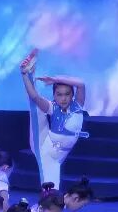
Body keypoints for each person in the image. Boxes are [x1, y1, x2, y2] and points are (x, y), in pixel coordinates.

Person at [20, 48, 88, 187]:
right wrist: (23, 75)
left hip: (59, 155)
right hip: (46, 151)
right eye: (59, 94)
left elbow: (81, 84)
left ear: (72, 95)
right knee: (36, 108)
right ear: (54, 96)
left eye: (67, 94)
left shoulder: (77, 106)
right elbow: (35, 97)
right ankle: (27, 72)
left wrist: (55, 79)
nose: (63, 98)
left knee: (51, 190)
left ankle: (30, 71)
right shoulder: (53, 107)